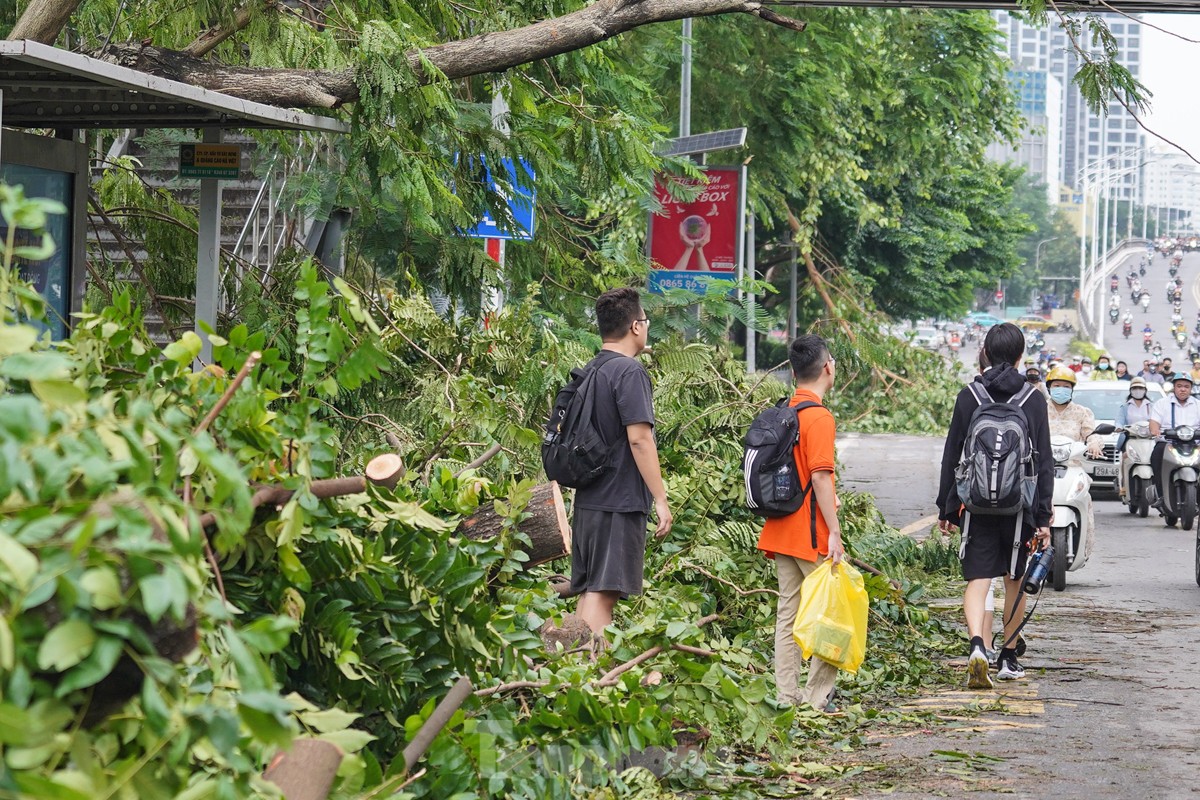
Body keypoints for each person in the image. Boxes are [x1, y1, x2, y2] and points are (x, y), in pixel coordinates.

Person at [937, 323, 1053, 689]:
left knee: (977, 578)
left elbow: (952, 453)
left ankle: (976, 646)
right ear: (1021, 356)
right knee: (1014, 579)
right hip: (1019, 507)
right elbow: (1045, 461)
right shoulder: (1032, 398)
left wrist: (946, 507)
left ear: (984, 352)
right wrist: (1044, 517)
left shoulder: (969, 395)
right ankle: (1008, 657)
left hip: (974, 505)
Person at [569, 288, 672, 636]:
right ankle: (589, 680)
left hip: (589, 501)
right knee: (603, 592)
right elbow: (640, 439)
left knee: (590, 590)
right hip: (619, 501)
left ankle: (570, 675)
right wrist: (660, 498)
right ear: (635, 327)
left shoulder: (591, 370)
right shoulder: (629, 373)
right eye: (645, 320)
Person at [756, 334, 843, 712]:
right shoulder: (819, 417)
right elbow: (821, 477)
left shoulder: (783, 411)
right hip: (811, 534)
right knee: (831, 612)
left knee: (788, 614)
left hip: (780, 528)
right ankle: (817, 697)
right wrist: (835, 532)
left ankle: (786, 696)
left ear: (793, 372)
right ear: (828, 368)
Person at [1045, 366, 1103, 564]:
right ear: (1049, 387)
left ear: (1072, 389)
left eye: (1065, 386)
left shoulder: (1082, 412)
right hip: (1043, 467)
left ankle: (1081, 547)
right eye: (1057, 385)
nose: (1061, 389)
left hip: (1072, 466)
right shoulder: (1038, 409)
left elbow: (1090, 433)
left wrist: (1094, 443)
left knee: (1084, 497)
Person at [1149, 374, 1200, 513]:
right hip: (1168, 443)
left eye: (1186, 386)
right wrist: (1155, 431)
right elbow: (1154, 422)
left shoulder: (1197, 405)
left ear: (1191, 389)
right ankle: (1160, 494)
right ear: (1174, 388)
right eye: (1179, 386)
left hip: (1194, 444)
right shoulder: (1162, 403)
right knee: (1156, 456)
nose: (1182, 389)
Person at [1116, 376, 1154, 477]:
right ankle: (1123, 483)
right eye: (1135, 388)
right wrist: (1119, 427)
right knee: (1125, 456)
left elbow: (1156, 421)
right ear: (1131, 391)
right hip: (1131, 438)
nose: (1138, 391)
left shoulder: (1150, 406)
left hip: (1148, 439)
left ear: (1145, 390)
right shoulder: (1125, 407)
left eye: (1140, 388)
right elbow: (1119, 421)